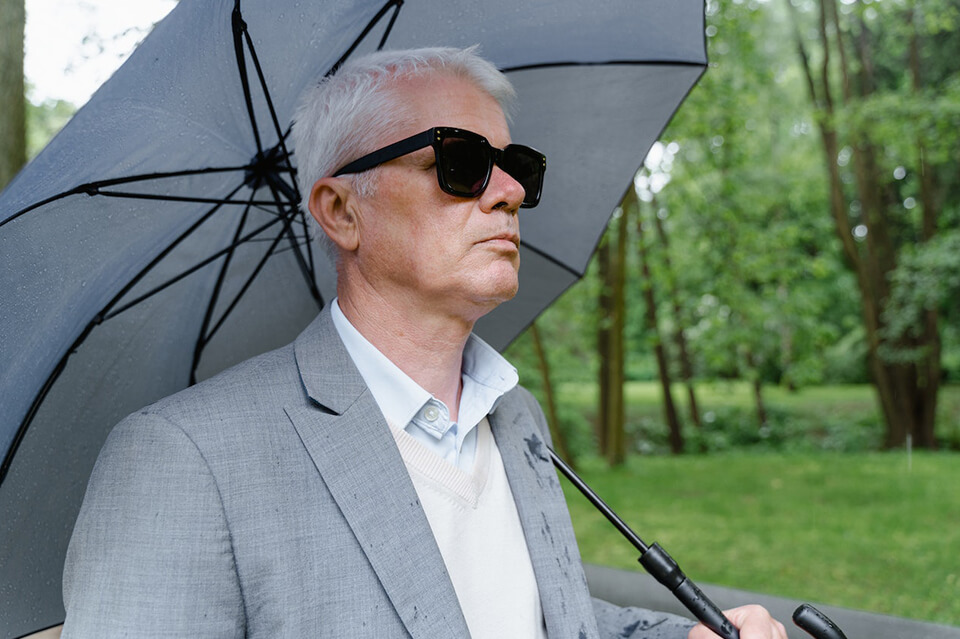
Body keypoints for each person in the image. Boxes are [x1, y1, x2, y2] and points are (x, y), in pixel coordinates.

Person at [62, 46, 786, 639]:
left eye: (517, 167)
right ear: (342, 210)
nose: (505, 191)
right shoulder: (182, 459)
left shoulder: (515, 416)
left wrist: (684, 637)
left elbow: (536, 615)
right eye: (462, 161)